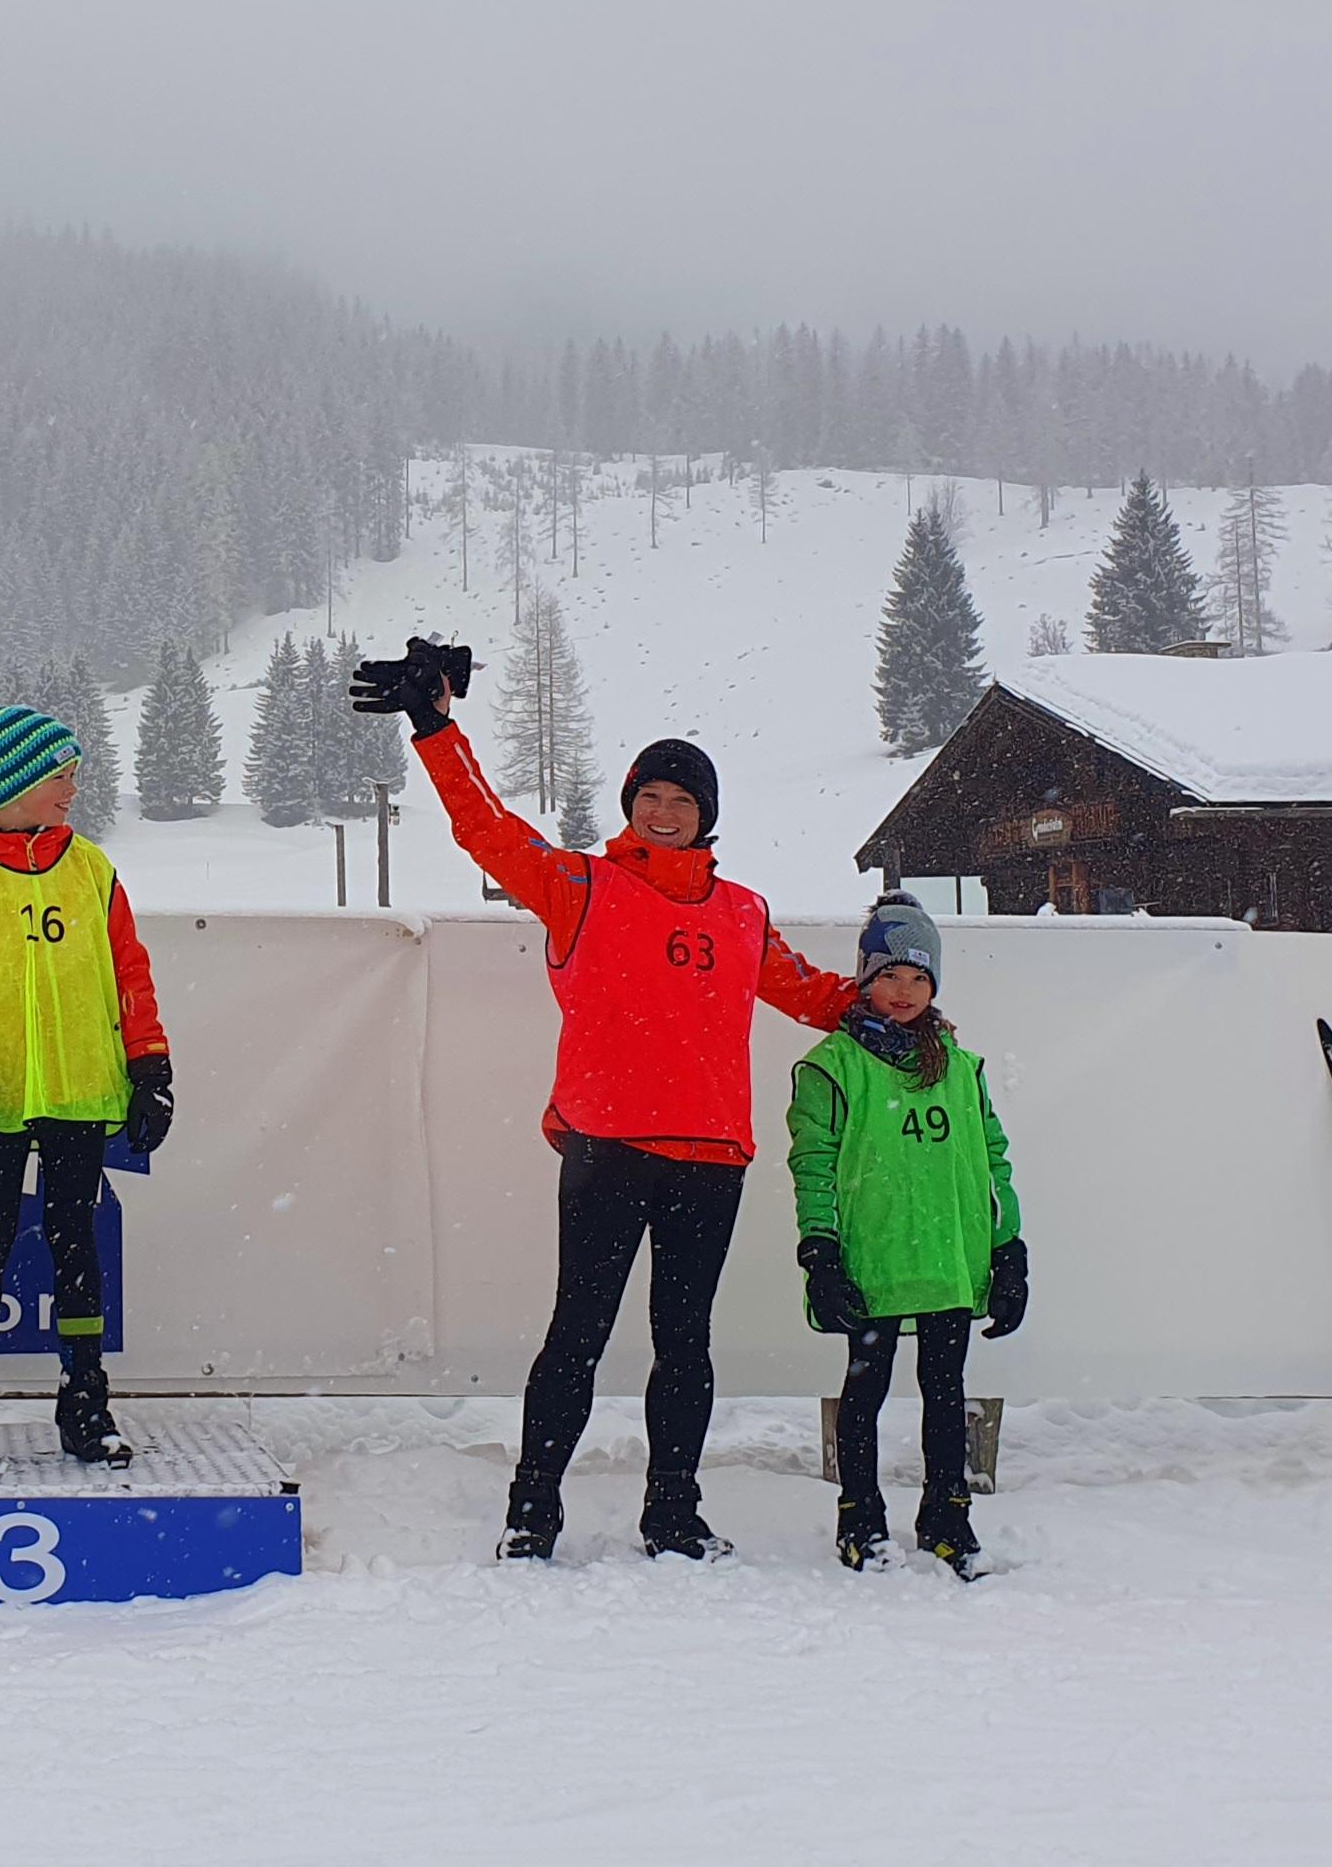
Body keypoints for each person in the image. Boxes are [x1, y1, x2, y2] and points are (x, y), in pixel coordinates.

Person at [354, 635, 855, 1560]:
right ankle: (532, 1509)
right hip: (608, 1146)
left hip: (711, 1156)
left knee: (686, 1345)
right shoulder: (581, 884)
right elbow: (486, 828)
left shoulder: (742, 912)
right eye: (649, 797)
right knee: (575, 1336)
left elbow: (812, 993)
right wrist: (435, 727)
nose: (663, 812)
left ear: (706, 815)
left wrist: (898, 995)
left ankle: (673, 1512)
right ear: (631, 804)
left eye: (681, 800)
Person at [0, 696, 175, 1467]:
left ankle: (86, 1401)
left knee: (76, 1244)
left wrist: (149, 1065)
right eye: (63, 774)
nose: (74, 789)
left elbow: (130, 972)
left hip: (82, 1093)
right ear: (16, 783)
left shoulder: (92, 868)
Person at [790, 893, 1027, 1578]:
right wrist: (820, 1250)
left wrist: (1007, 1247)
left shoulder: (962, 1066)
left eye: (919, 979)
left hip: (948, 1261)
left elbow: (993, 1160)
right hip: (874, 1261)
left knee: (946, 1394)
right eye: (890, 975)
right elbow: (814, 1168)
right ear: (865, 979)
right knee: (864, 1394)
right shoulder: (832, 1067)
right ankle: (860, 1520)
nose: (904, 992)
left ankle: (947, 1516)